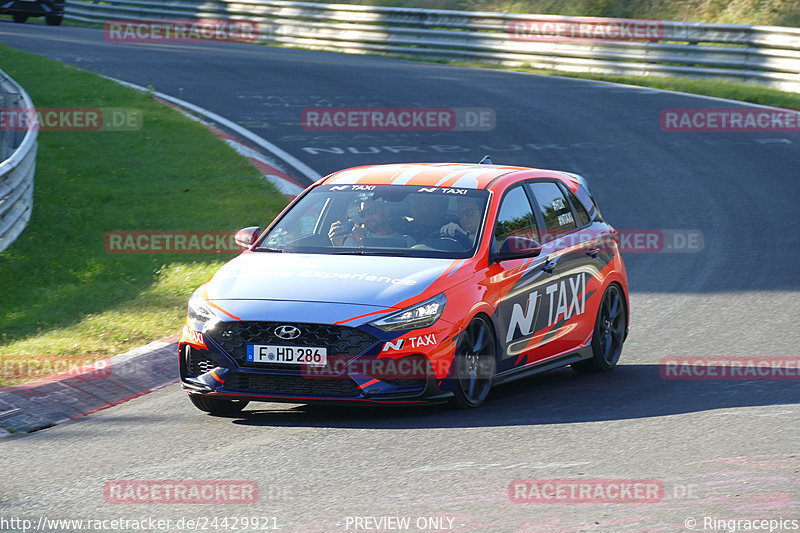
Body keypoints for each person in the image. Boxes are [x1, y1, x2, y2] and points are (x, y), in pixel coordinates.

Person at [329, 197, 412, 247]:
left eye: (371, 212)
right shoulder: (353, 239)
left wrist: (364, 243)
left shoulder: (406, 241)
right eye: (363, 214)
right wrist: (338, 246)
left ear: (386, 212)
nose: (367, 218)